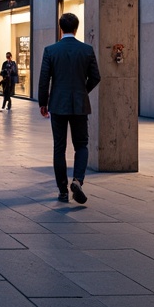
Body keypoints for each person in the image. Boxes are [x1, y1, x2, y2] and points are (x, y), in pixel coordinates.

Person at [37, 13, 101, 204]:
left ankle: (63, 191)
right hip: (80, 104)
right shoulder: (87, 50)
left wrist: (43, 103)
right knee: (81, 144)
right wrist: (82, 91)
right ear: (76, 28)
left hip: (57, 104)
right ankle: (78, 180)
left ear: (60, 28)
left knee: (59, 147)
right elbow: (96, 77)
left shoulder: (51, 50)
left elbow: (43, 80)